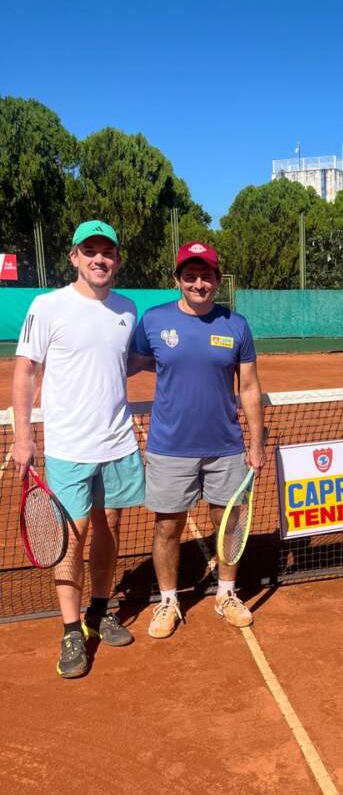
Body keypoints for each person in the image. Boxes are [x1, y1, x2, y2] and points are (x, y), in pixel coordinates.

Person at [12, 220, 145, 679]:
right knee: (73, 536)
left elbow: (125, 363)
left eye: (107, 251)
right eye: (90, 251)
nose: (99, 259)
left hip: (118, 443)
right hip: (69, 446)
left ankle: (99, 610)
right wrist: (24, 436)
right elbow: (26, 371)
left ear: (117, 259)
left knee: (109, 528)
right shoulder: (47, 306)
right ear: (73, 257)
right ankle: (71, 630)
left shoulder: (127, 309)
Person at [129, 242, 264, 638]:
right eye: (190, 275)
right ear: (178, 280)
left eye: (206, 275)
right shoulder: (153, 321)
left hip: (226, 447)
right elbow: (127, 364)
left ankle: (225, 593)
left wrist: (256, 443)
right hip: (169, 448)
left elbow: (251, 387)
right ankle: (169, 600)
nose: (199, 283)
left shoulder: (235, 325)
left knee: (230, 523)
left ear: (218, 280)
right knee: (167, 527)